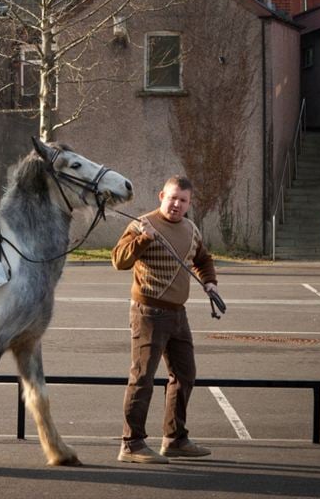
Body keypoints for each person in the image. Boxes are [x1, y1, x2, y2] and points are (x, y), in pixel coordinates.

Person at [111, 175, 218, 464]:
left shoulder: (191, 228)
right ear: (161, 196)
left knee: (185, 376)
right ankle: (131, 444)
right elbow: (119, 260)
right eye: (172, 198)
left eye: (182, 200)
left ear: (189, 203)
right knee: (142, 378)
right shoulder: (141, 224)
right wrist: (145, 239)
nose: (176, 204)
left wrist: (209, 282)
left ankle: (174, 439)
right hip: (148, 313)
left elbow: (203, 258)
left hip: (178, 314)